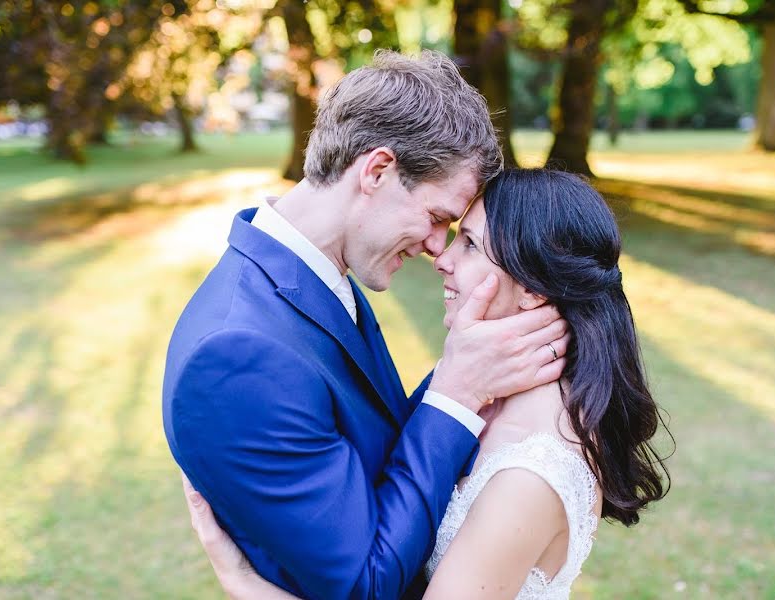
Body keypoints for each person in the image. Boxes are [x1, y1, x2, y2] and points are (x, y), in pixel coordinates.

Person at [162, 52, 570, 600]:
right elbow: (366, 584)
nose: (435, 248)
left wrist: (467, 374)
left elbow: (374, 452)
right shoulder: (237, 356)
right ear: (377, 171)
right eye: (437, 219)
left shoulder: (319, 277)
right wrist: (456, 392)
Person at [183, 169, 672, 599]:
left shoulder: (530, 472)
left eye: (471, 244)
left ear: (533, 290)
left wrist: (246, 586)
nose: (441, 257)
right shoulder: (480, 390)